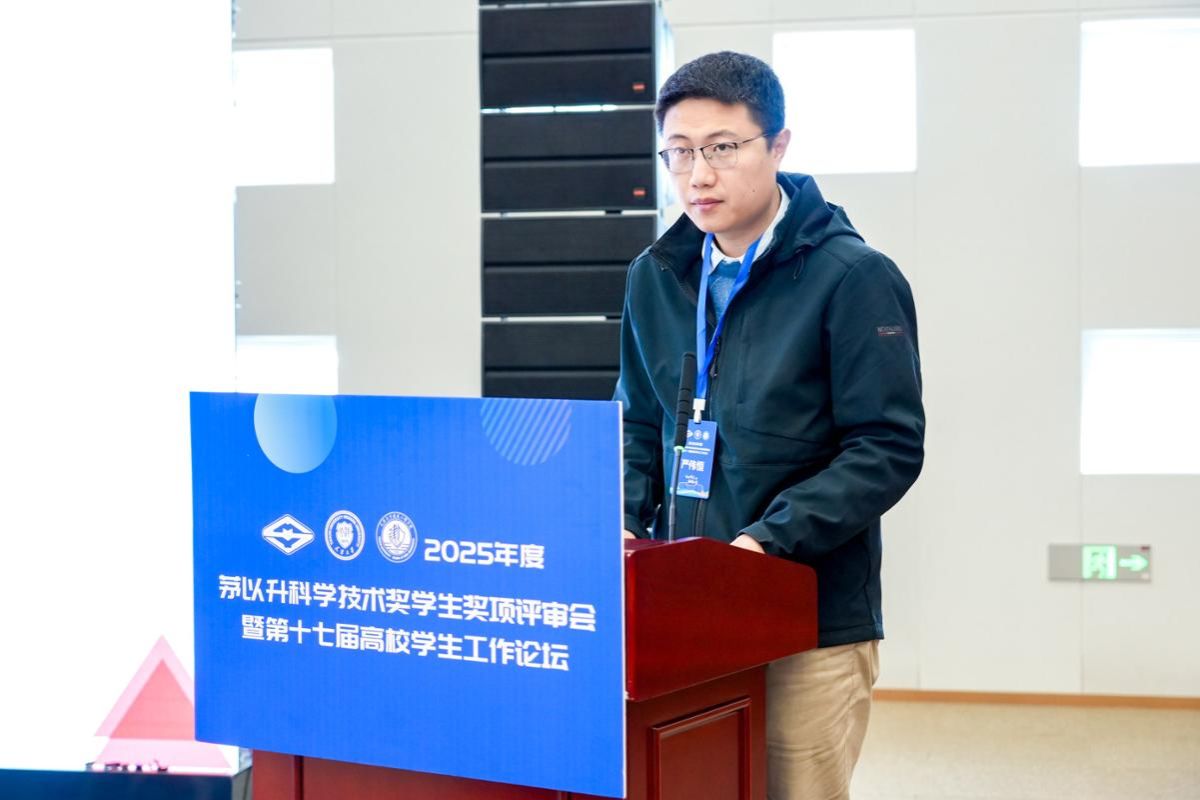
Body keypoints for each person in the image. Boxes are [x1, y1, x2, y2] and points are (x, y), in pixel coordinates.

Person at [615, 51, 925, 800]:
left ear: (779, 145)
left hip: (805, 614)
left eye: (722, 148)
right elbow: (637, 420)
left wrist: (766, 542)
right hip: (682, 609)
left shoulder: (853, 277)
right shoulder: (655, 276)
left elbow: (886, 447)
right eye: (679, 152)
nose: (699, 175)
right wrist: (620, 519)